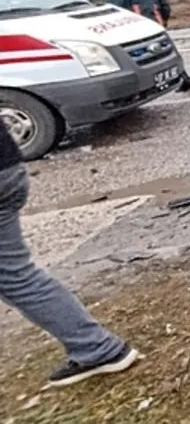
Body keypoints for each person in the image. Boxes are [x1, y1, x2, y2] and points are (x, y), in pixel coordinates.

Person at [0, 126, 141, 387]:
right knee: (12, 278)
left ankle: (98, 349)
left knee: (16, 279)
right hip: (8, 168)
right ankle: (96, 348)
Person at [107, 0, 190, 92]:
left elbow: (114, 11)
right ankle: (184, 79)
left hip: (132, 31)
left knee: (137, 60)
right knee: (166, 54)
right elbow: (165, 7)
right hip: (155, 27)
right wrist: (163, 22)